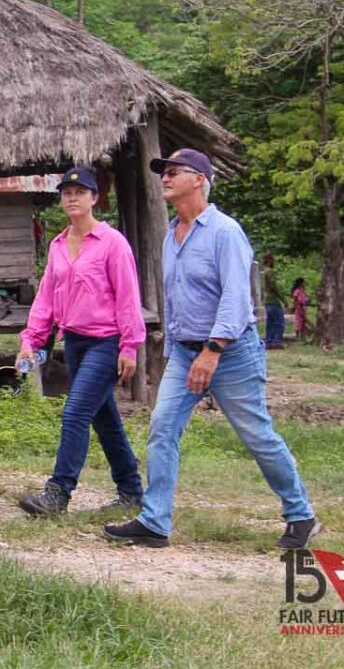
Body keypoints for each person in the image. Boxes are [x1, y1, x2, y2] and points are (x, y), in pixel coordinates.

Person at [104, 149, 319, 549]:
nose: (164, 178)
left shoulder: (225, 232)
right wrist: (178, 351)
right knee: (161, 430)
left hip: (230, 353)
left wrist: (212, 350)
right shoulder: (172, 234)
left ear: (198, 179)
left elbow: (236, 299)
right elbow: (178, 299)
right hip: (186, 351)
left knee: (256, 434)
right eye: (162, 173)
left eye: (173, 172)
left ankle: (301, 513)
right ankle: (154, 521)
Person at [16, 167, 146, 516]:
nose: (72, 197)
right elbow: (46, 298)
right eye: (66, 192)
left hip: (106, 342)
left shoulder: (112, 243)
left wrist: (130, 345)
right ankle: (132, 491)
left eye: (80, 191)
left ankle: (58, 492)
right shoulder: (58, 245)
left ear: (94, 198)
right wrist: (32, 340)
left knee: (74, 412)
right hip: (73, 341)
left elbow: (128, 297)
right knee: (105, 420)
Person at [262, 253, 287, 349]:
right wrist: (283, 299)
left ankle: (269, 342)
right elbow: (274, 287)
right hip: (273, 300)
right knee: (279, 322)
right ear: (270, 260)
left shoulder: (263, 272)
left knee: (270, 323)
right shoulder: (270, 272)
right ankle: (277, 342)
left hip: (267, 300)